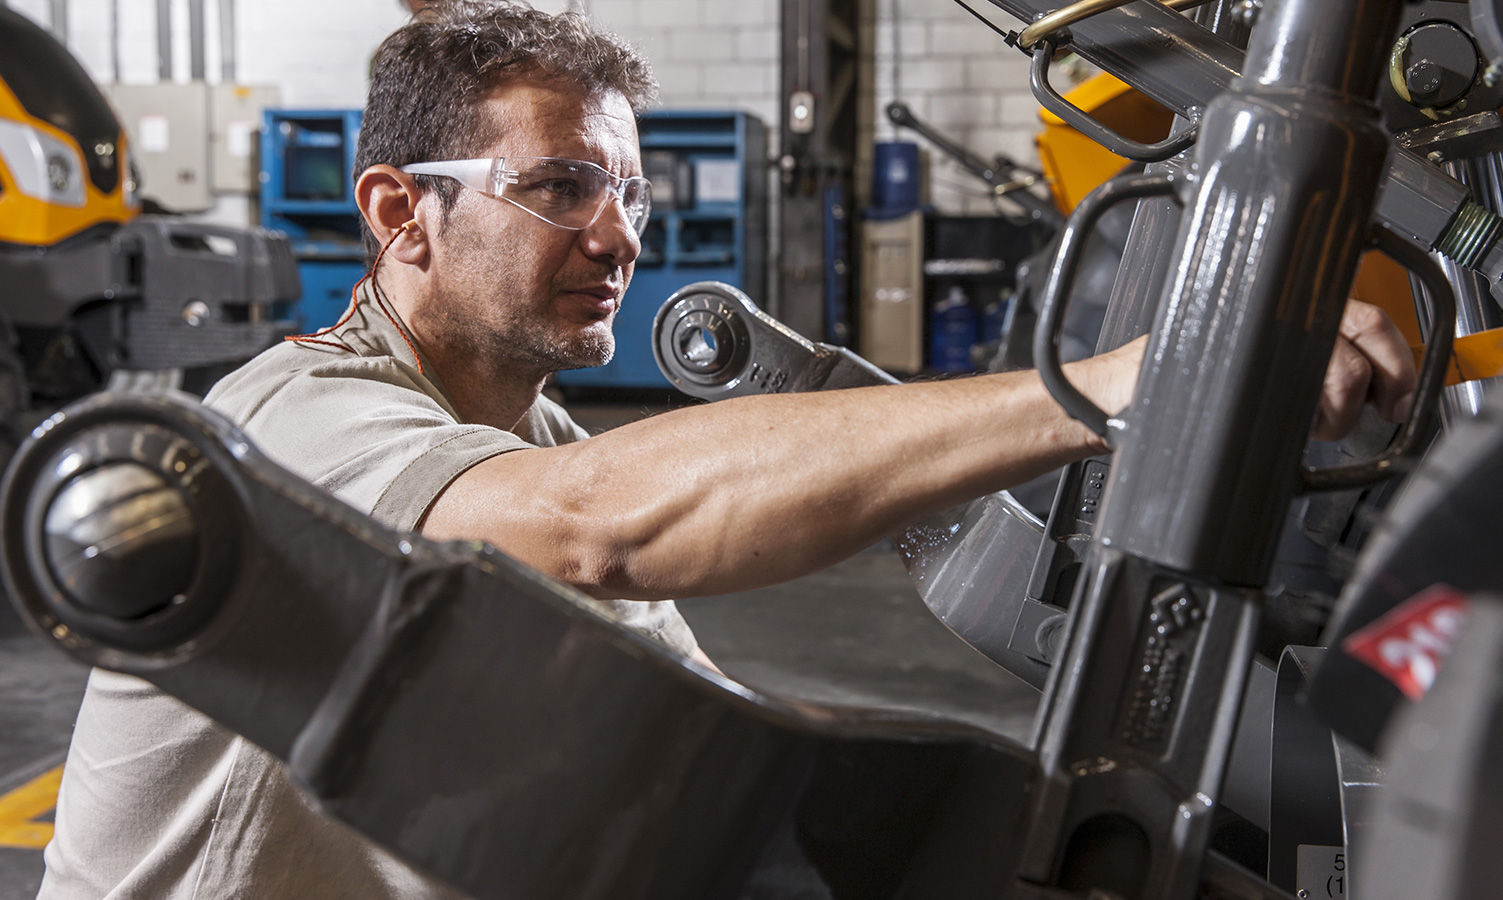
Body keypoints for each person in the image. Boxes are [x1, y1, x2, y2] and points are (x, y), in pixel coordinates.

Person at [37, 2, 1417, 898]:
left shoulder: (526, 429)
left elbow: (695, 735)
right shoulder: (294, 421)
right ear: (402, 213)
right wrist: (1122, 385)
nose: (621, 235)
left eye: (635, 191)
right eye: (564, 185)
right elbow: (602, 523)